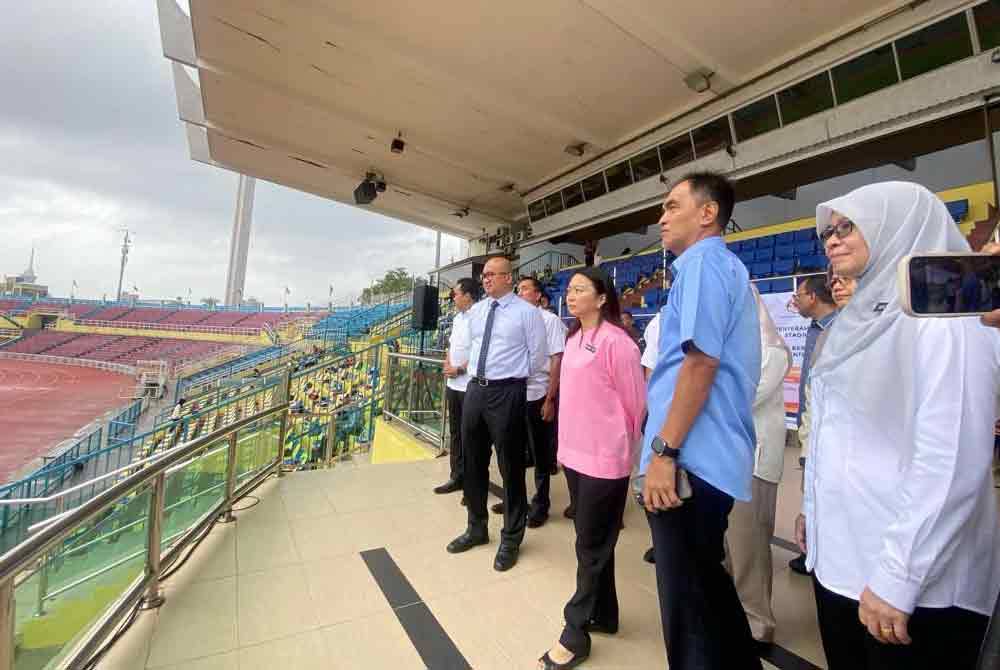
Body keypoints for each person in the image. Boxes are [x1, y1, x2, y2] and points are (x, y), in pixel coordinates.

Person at [798, 182, 1000, 670]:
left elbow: (950, 458)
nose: (834, 239)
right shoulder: (859, 317)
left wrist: (897, 576)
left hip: (912, 587)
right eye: (829, 230)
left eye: (849, 227)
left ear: (900, 225)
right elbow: (834, 427)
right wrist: (813, 510)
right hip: (844, 565)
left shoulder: (946, 317)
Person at [639, 172, 762, 670]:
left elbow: (700, 362)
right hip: (703, 457)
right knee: (707, 588)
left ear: (707, 213)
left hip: (690, 460)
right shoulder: (718, 267)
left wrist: (665, 452)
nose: (661, 218)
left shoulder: (702, 264)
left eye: (671, 206)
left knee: (687, 610)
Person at [537, 268, 645, 670]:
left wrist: (624, 452)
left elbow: (636, 406)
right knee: (592, 539)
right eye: (569, 289)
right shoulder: (573, 338)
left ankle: (575, 630)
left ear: (602, 299)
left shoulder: (619, 344)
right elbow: (572, 400)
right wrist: (565, 448)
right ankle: (606, 613)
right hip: (577, 456)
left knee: (589, 547)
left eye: (580, 289)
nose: (571, 295)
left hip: (606, 458)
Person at [446, 256, 547, 572]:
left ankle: (511, 537)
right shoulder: (477, 311)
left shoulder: (527, 314)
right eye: (484, 275)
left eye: (492, 274)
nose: (486, 279)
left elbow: (538, 357)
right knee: (473, 460)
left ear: (509, 277)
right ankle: (476, 527)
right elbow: (472, 347)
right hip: (475, 388)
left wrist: (511, 379)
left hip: (507, 391)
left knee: (510, 464)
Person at [724, 285, 792, 645]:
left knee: (749, 546)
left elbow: (739, 402)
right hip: (726, 459)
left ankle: (757, 621)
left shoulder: (771, 351)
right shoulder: (729, 350)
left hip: (755, 460)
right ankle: (732, 612)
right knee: (729, 546)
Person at [787, 274, 837, 576]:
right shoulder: (814, 329)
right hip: (810, 421)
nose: (796, 301)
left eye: (800, 295)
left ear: (814, 297)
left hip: (828, 428)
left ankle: (823, 558)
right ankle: (813, 551)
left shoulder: (839, 331)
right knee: (811, 492)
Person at [512, 276, 567, 527]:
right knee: (515, 451)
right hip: (514, 393)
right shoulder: (515, 321)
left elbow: (557, 359)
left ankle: (541, 504)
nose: (520, 292)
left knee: (541, 454)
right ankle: (517, 500)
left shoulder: (550, 320)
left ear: (538, 296)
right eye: (518, 289)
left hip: (539, 393)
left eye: (525, 289)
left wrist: (550, 398)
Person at [435, 278, 478, 498]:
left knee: (469, 436)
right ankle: (457, 476)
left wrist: (460, 369)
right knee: (455, 434)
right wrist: (447, 363)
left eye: (456, 293)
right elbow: (451, 346)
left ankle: (472, 483)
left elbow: (481, 352)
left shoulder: (478, 318)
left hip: (469, 385)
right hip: (453, 384)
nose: (453, 297)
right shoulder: (458, 318)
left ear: (468, 296)